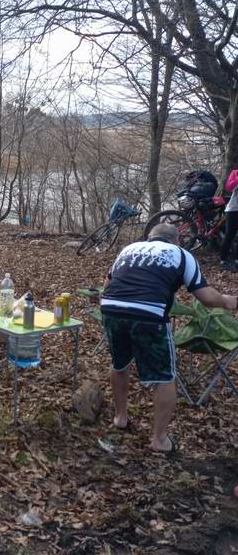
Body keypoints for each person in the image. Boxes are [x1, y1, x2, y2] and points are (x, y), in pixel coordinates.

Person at [101, 223, 237, 453]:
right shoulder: (182, 255)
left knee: (120, 364)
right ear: (176, 241)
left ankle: (120, 418)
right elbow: (205, 296)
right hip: (149, 314)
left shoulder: (128, 249)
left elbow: (107, 284)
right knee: (165, 376)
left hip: (111, 308)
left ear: (149, 238)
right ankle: (160, 440)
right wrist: (226, 301)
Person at [221, 167, 238, 271]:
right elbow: (229, 187)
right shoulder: (235, 173)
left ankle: (237, 261)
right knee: (229, 235)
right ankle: (223, 260)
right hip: (233, 210)